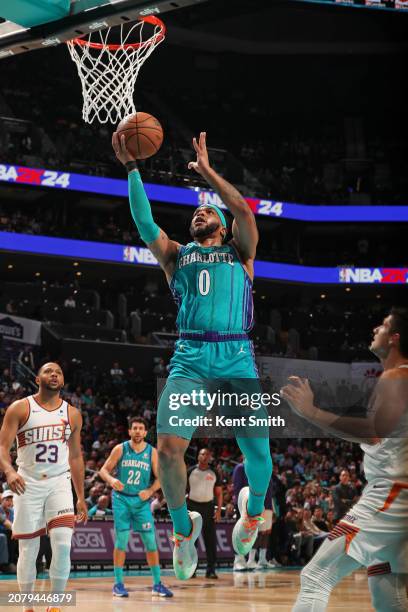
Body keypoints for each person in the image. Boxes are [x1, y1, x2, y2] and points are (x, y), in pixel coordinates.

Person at [112, 130, 272, 581]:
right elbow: (145, 225)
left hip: (236, 357)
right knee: (167, 451)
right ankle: (184, 532)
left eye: (208, 211)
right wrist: (131, 169)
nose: (200, 212)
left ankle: (252, 515)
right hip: (191, 360)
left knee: (258, 453)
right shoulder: (177, 257)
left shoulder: (241, 252)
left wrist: (208, 174)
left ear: (221, 225)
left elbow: (243, 208)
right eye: (197, 211)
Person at [282, 307, 408, 612]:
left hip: (393, 495)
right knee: (388, 597)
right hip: (396, 497)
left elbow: (374, 432)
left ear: (394, 338)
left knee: (316, 576)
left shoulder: (397, 375)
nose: (374, 328)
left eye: (382, 325)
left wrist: (312, 412)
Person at [0, 362, 87, 612]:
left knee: (62, 543)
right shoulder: (20, 408)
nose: (54, 375)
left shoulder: (73, 414)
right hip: (27, 483)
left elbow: (76, 457)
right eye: (48, 371)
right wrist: (9, 470)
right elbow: (2, 447)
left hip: (59, 482)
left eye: (59, 372)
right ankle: (27, 605)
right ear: (38, 379)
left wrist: (80, 496)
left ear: (63, 380)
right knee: (29, 549)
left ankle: (55, 605)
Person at [99, 417, 173, 598]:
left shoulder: (152, 452)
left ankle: (157, 584)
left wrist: (150, 491)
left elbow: (160, 478)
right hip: (121, 500)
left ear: (146, 432)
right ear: (130, 431)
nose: (138, 431)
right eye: (135, 428)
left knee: (150, 542)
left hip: (141, 503)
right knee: (121, 541)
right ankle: (118, 584)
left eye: (141, 428)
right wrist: (112, 480)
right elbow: (103, 470)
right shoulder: (120, 449)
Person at [186, 448, 223, 579]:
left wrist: (218, 510)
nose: (205, 456)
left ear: (210, 457)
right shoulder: (190, 471)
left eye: (207, 454)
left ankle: (211, 570)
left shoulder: (214, 473)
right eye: (202, 454)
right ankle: (191, 569)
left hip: (208, 507)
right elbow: (182, 490)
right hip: (192, 507)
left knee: (210, 541)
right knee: (192, 541)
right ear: (198, 456)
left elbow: (219, 494)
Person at [0, 489, 17, 573]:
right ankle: (6, 564)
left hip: (9, 533)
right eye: (7, 500)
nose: (9, 503)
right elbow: (6, 524)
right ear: (2, 500)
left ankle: (14, 561)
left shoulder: (13, 511)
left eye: (11, 500)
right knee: (9, 533)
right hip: (3, 533)